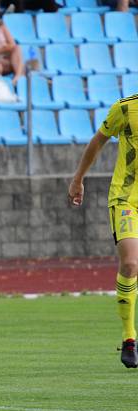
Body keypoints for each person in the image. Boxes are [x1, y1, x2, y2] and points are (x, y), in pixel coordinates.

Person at [68, 96, 138, 369]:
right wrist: (78, 179)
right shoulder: (125, 108)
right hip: (125, 199)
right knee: (131, 262)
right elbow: (98, 141)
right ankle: (129, 337)